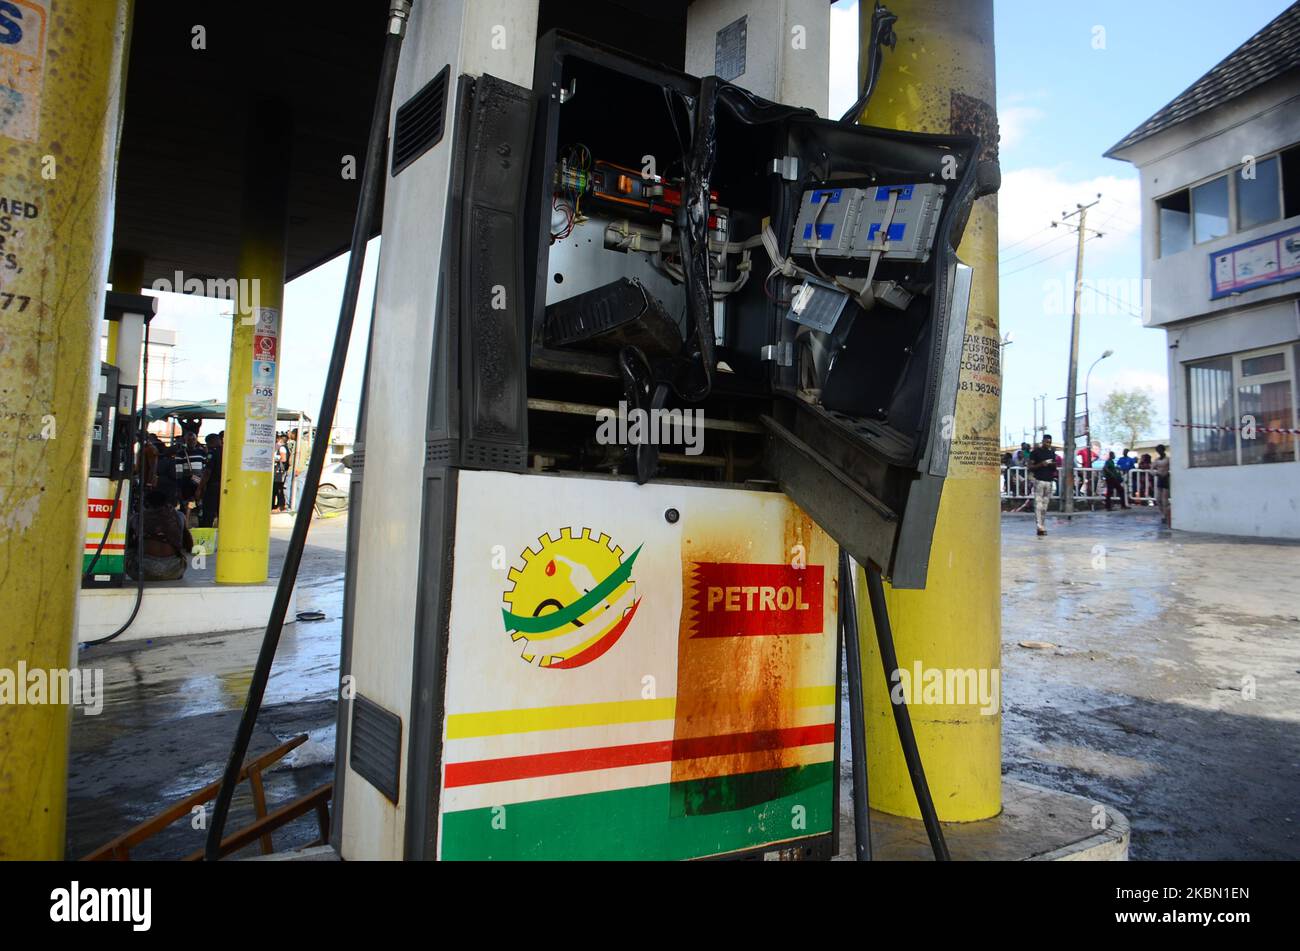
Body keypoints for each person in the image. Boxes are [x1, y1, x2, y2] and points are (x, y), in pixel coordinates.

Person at [125, 489, 194, 582]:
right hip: (173, 571)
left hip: (142, 572)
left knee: (127, 549)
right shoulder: (179, 516)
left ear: (146, 504)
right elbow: (189, 546)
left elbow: (126, 544)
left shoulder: (137, 518)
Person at [1028, 434, 1058, 536]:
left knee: (1045, 505)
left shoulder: (1052, 453)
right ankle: (1039, 526)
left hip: (1049, 481)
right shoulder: (1035, 452)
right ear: (1043, 441)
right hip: (1039, 480)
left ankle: (1042, 524)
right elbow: (1030, 467)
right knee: (1038, 504)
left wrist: (1053, 464)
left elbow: (1055, 468)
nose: (1048, 444)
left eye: (1050, 442)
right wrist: (1041, 464)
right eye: (1046, 442)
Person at [196, 433, 223, 528]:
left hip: (213, 487)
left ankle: (206, 534)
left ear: (211, 442)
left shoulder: (212, 453)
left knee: (208, 513)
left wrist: (199, 488)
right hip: (225, 487)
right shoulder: (227, 452)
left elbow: (207, 472)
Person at [1153, 444, 1171, 526]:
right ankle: (1163, 513)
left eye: (1160, 450)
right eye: (1158, 450)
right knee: (1158, 499)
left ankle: (1165, 515)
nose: (1159, 452)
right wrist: (1155, 473)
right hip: (1160, 478)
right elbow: (1151, 469)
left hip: (1166, 478)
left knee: (1165, 499)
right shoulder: (1156, 460)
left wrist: (1167, 473)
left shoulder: (1168, 459)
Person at [272, 433, 289, 512]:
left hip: (279, 471)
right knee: (276, 488)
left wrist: (275, 459)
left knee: (278, 488)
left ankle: (280, 505)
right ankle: (276, 505)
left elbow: (284, 459)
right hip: (278, 471)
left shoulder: (281, 448)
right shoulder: (281, 447)